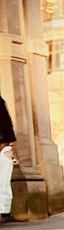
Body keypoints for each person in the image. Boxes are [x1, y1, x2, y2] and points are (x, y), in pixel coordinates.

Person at [0, 90, 15, 221]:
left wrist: (6, 142)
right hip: (4, 145)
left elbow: (6, 123)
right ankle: (4, 211)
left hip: (3, 146)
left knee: (3, 180)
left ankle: (4, 211)